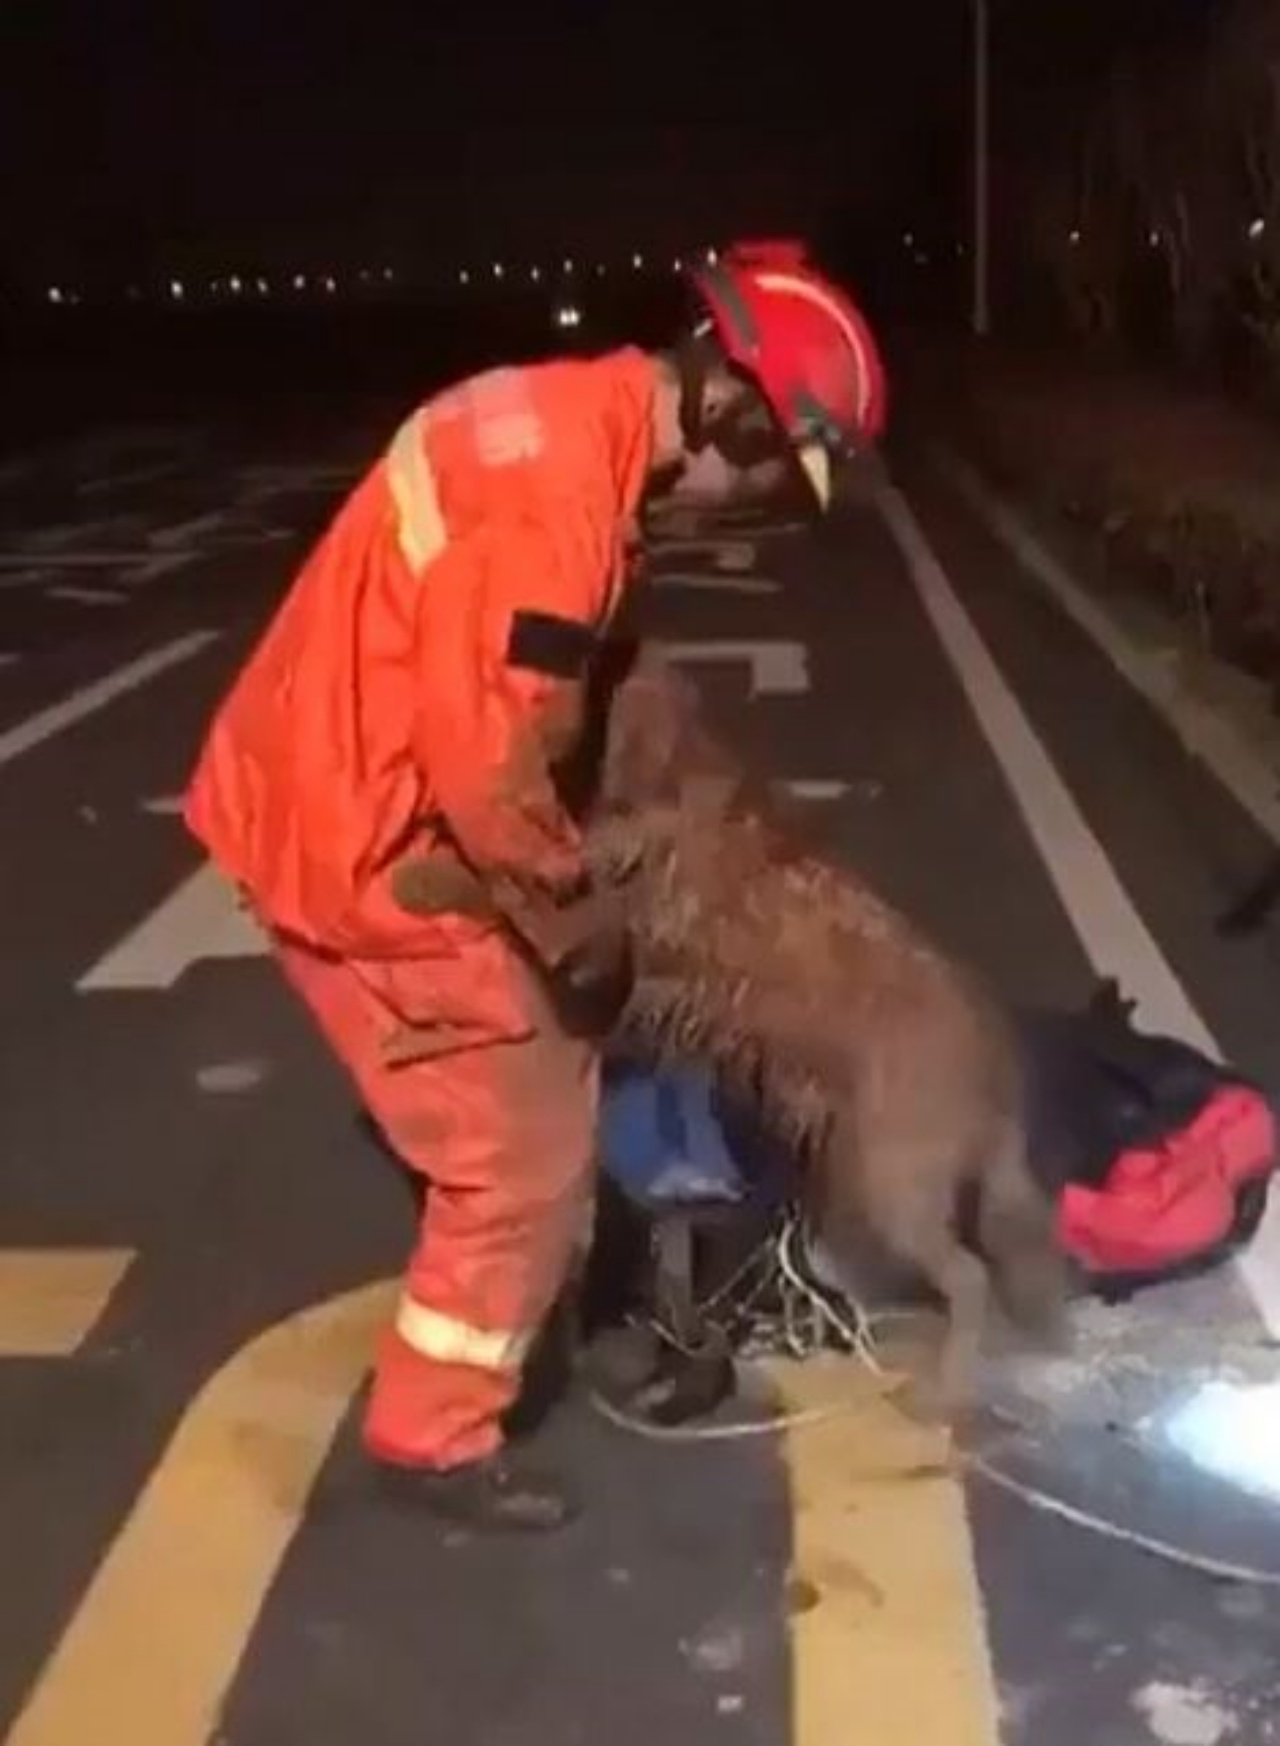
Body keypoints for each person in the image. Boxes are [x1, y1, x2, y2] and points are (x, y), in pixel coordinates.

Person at [183, 238, 888, 1532]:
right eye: (769, 478)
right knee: (520, 1152)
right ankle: (432, 1437)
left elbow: (560, 668)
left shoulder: (579, 426)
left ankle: (554, 1276)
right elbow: (489, 757)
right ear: (728, 406)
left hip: (332, 769)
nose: (753, 508)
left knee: (548, 1077)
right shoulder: (552, 500)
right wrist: (579, 929)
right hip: (363, 836)